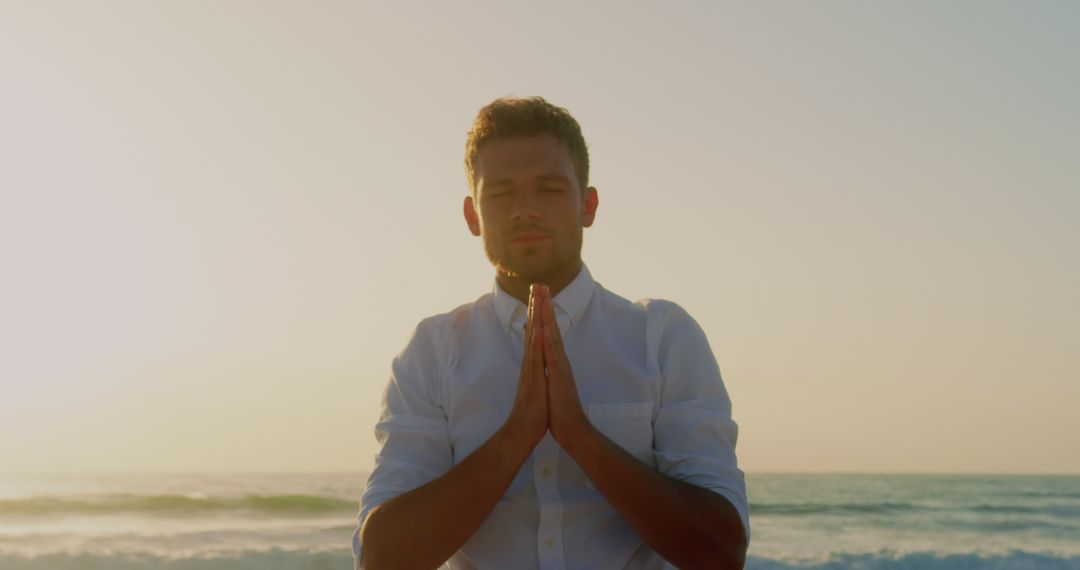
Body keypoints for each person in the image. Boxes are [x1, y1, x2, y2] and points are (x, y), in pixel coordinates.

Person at [352, 96, 749, 569]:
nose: (525, 209)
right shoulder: (434, 351)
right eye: (500, 193)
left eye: (549, 188)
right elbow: (381, 559)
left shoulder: (662, 338)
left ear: (589, 204)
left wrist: (580, 437)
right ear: (472, 216)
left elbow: (720, 552)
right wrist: (515, 437)